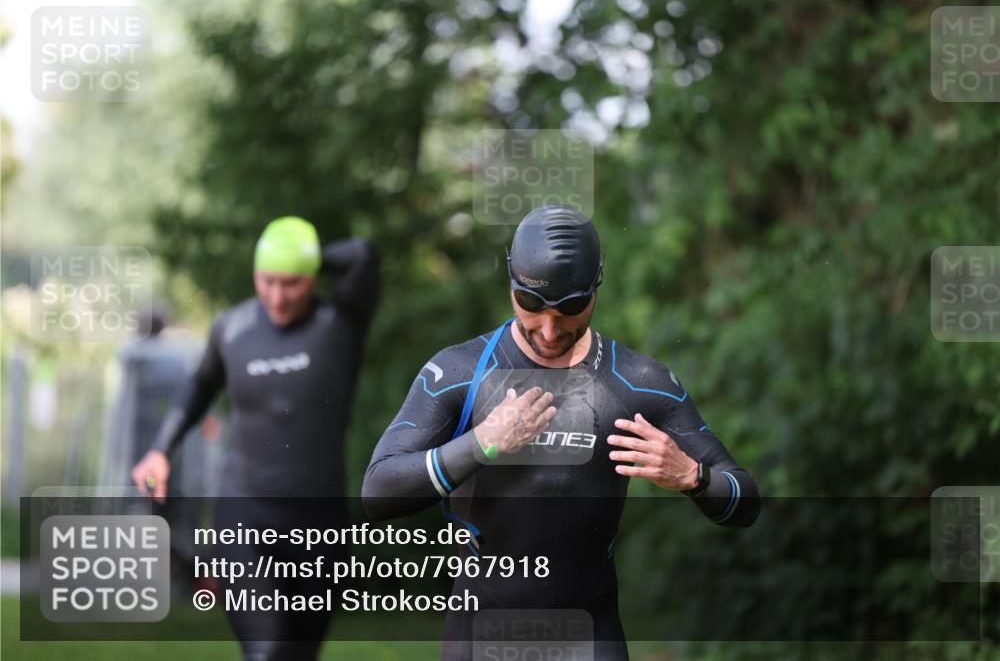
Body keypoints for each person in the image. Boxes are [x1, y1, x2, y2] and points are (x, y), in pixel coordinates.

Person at [362, 204, 760, 661]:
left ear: (596, 289)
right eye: (531, 304)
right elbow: (379, 490)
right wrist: (481, 443)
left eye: (571, 307)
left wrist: (693, 476)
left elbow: (746, 502)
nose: (550, 329)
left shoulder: (636, 381)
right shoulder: (460, 372)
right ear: (511, 283)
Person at [132, 216, 379, 661]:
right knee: (267, 652)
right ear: (254, 275)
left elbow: (365, 255)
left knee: (298, 654)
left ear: (312, 278)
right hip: (245, 515)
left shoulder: (340, 322)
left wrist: (303, 253)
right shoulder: (233, 328)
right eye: (268, 280)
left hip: (320, 525)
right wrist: (159, 451)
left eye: (292, 282)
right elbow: (198, 388)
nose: (278, 296)